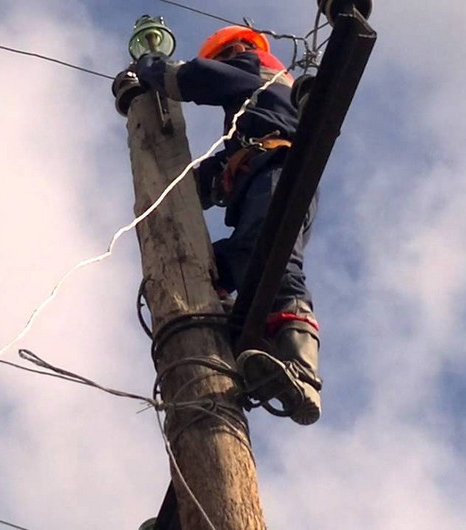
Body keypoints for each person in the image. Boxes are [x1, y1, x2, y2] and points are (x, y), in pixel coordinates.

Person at [135, 26, 322, 425]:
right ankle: (252, 345)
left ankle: (301, 367)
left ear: (237, 50)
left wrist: (150, 68)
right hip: (264, 177)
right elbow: (223, 169)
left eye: (224, 58)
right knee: (221, 262)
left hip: (276, 173)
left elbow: (194, 79)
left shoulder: (258, 69)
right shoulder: (256, 115)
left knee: (271, 253)